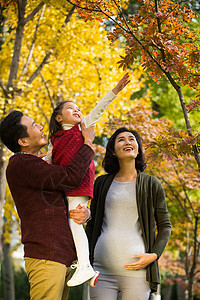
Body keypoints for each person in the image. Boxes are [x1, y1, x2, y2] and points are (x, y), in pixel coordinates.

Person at [0, 110, 96, 300]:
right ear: (23, 141)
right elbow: (71, 177)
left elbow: (64, 198)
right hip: (46, 257)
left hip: (60, 256)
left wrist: (85, 213)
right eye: (34, 125)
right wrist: (87, 144)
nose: (42, 127)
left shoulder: (38, 164)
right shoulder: (20, 165)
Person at [48, 73, 130, 287]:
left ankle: (85, 266)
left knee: (75, 223)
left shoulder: (82, 128)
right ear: (59, 118)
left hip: (80, 184)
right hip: (64, 187)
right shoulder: (54, 139)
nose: (77, 110)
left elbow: (99, 108)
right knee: (70, 223)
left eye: (78, 108)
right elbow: (48, 159)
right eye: (70, 108)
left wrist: (116, 90)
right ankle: (87, 267)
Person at [86, 127, 171, 300]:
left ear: (138, 148)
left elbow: (165, 226)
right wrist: (86, 260)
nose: (127, 142)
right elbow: (92, 224)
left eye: (131, 139)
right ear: (114, 151)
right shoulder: (101, 183)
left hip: (137, 274)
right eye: (121, 139)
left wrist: (153, 256)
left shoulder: (151, 184)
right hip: (101, 271)